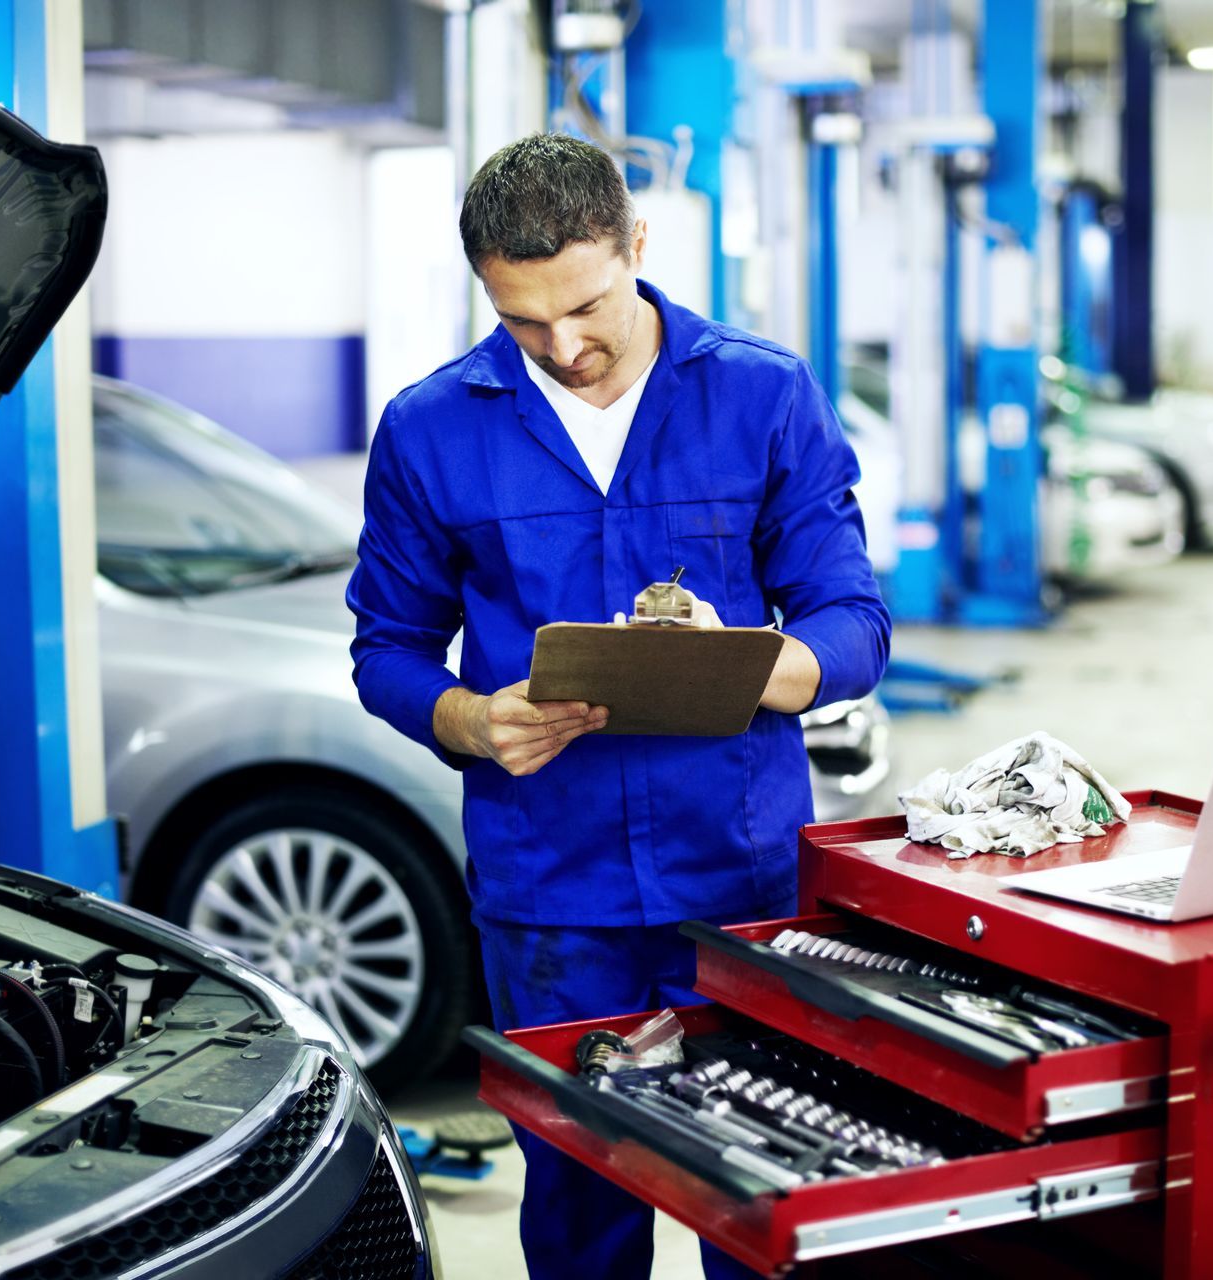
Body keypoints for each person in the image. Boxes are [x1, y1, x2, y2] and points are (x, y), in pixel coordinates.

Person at [347, 132, 891, 1279]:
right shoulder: (429, 428)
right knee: (579, 1202)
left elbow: (854, 626)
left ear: (638, 244)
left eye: (588, 305)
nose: (565, 347)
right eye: (524, 319)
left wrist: (743, 662)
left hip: (739, 885)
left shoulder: (759, 392)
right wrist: (466, 718)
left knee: (756, 1190)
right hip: (550, 890)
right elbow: (388, 649)